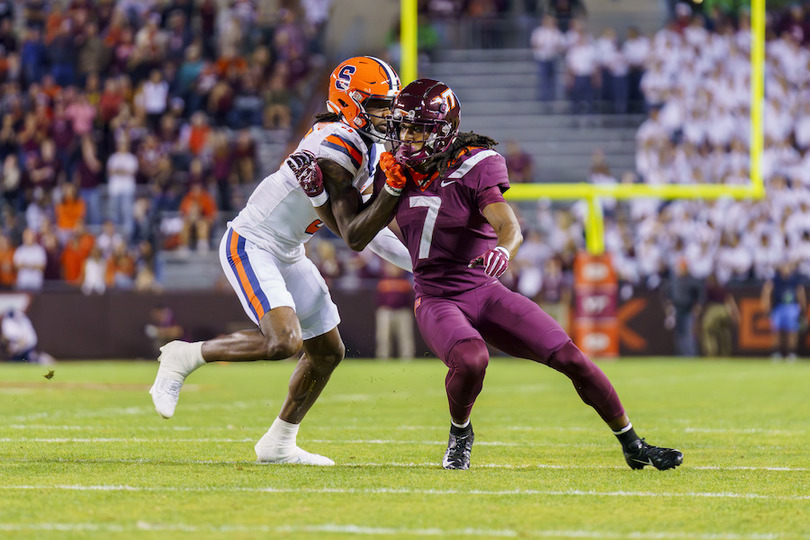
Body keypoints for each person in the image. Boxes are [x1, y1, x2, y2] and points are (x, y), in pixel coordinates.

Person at [293, 78, 683, 471]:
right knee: (472, 358)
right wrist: (322, 197)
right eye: (403, 128)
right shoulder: (394, 172)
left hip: (484, 289)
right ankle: (460, 433)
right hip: (436, 297)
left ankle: (632, 443)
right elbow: (358, 233)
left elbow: (508, 226)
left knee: (572, 358)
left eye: (416, 129)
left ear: (442, 132)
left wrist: (504, 250)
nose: (406, 138)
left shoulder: (476, 164)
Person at [149, 56, 412, 465]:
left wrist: (423, 263)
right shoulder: (334, 148)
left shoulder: (365, 144)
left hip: (288, 251)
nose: (388, 114)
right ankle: (186, 355)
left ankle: (278, 444)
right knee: (283, 342)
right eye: (379, 105)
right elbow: (356, 234)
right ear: (351, 102)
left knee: (327, 352)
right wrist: (425, 264)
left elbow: (367, 229)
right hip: (252, 243)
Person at [761, 260, 806, 361]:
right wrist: (766, 305)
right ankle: (776, 353)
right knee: (777, 332)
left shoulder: (795, 280)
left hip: (792, 307)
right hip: (778, 307)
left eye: (788, 267)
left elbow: (800, 293)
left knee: (792, 332)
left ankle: (791, 353)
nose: (786, 269)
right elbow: (767, 290)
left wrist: (802, 308)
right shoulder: (775, 279)